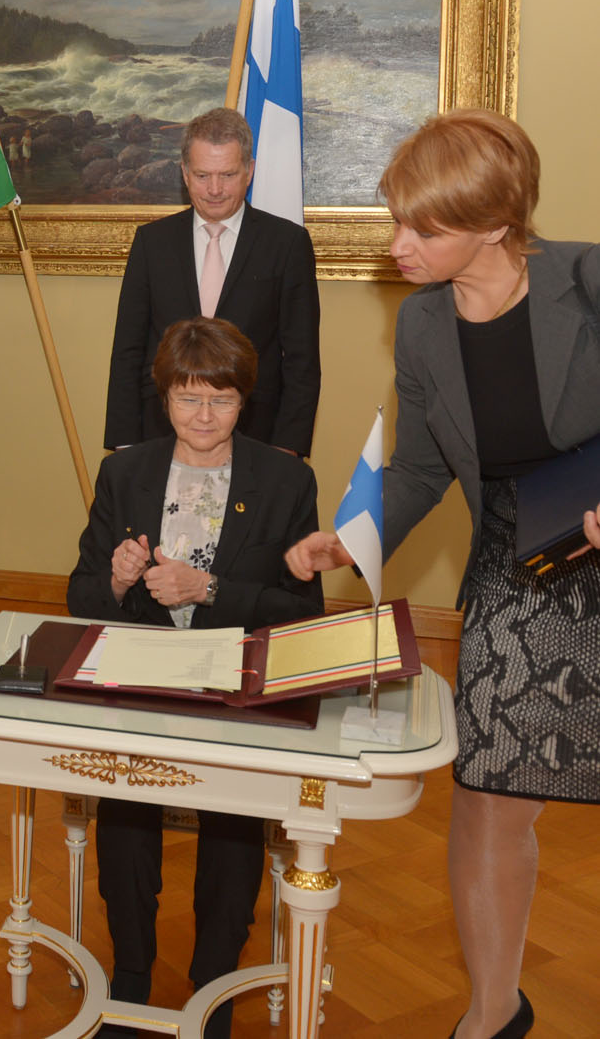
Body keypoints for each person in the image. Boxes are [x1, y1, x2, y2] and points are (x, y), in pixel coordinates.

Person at [285, 109, 600, 1039]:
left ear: (497, 224)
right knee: (489, 789)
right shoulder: (423, 325)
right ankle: (492, 1011)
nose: (398, 245)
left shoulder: (585, 281)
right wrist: (351, 537)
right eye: (396, 218)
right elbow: (421, 466)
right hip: (522, 558)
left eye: (424, 227)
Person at [68, 317, 323, 1039]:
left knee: (234, 823)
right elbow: (79, 595)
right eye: (187, 399)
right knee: (122, 816)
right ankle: (131, 976)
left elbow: (302, 609)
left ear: (245, 400)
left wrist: (209, 590)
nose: (203, 416)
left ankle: (211, 986)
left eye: (221, 399)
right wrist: (116, 583)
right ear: (163, 400)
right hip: (139, 679)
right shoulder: (125, 472)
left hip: (234, 682)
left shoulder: (284, 478)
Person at [103, 107, 320, 457]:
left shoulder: (287, 244)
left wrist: (287, 447)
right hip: (160, 433)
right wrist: (125, 442)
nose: (215, 190)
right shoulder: (151, 242)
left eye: (228, 175)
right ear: (185, 174)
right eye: (203, 176)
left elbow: (302, 359)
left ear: (249, 171)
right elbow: (127, 351)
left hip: (257, 437)